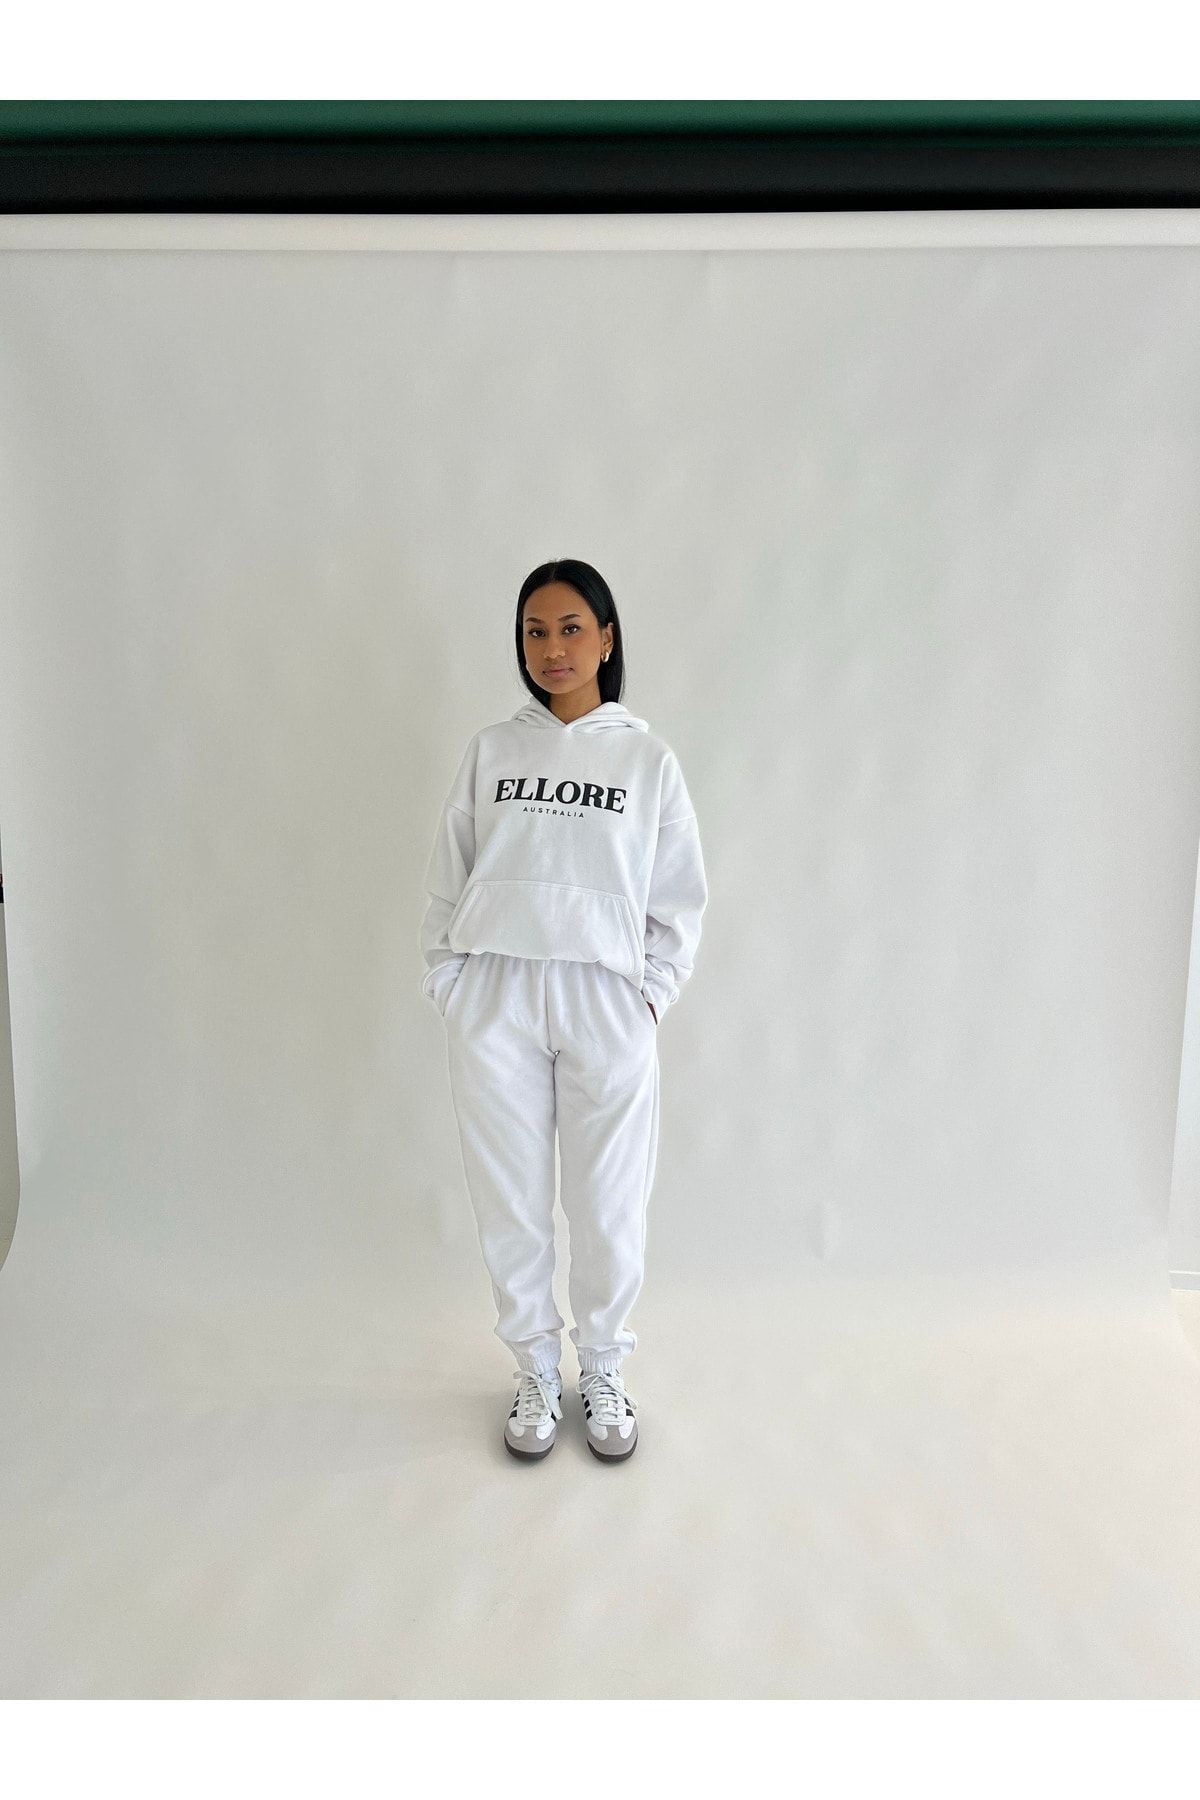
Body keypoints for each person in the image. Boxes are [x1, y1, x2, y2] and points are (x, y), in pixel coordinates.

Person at [418, 558, 707, 1465]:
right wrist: (453, 981)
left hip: (603, 999)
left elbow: (679, 897)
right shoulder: (493, 753)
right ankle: (536, 1369)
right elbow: (449, 872)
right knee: (510, 1197)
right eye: (535, 631)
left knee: (608, 1202)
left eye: (571, 628)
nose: (552, 648)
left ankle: (604, 1365)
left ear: (607, 638)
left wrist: (648, 995)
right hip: (497, 996)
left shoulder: (646, 761)